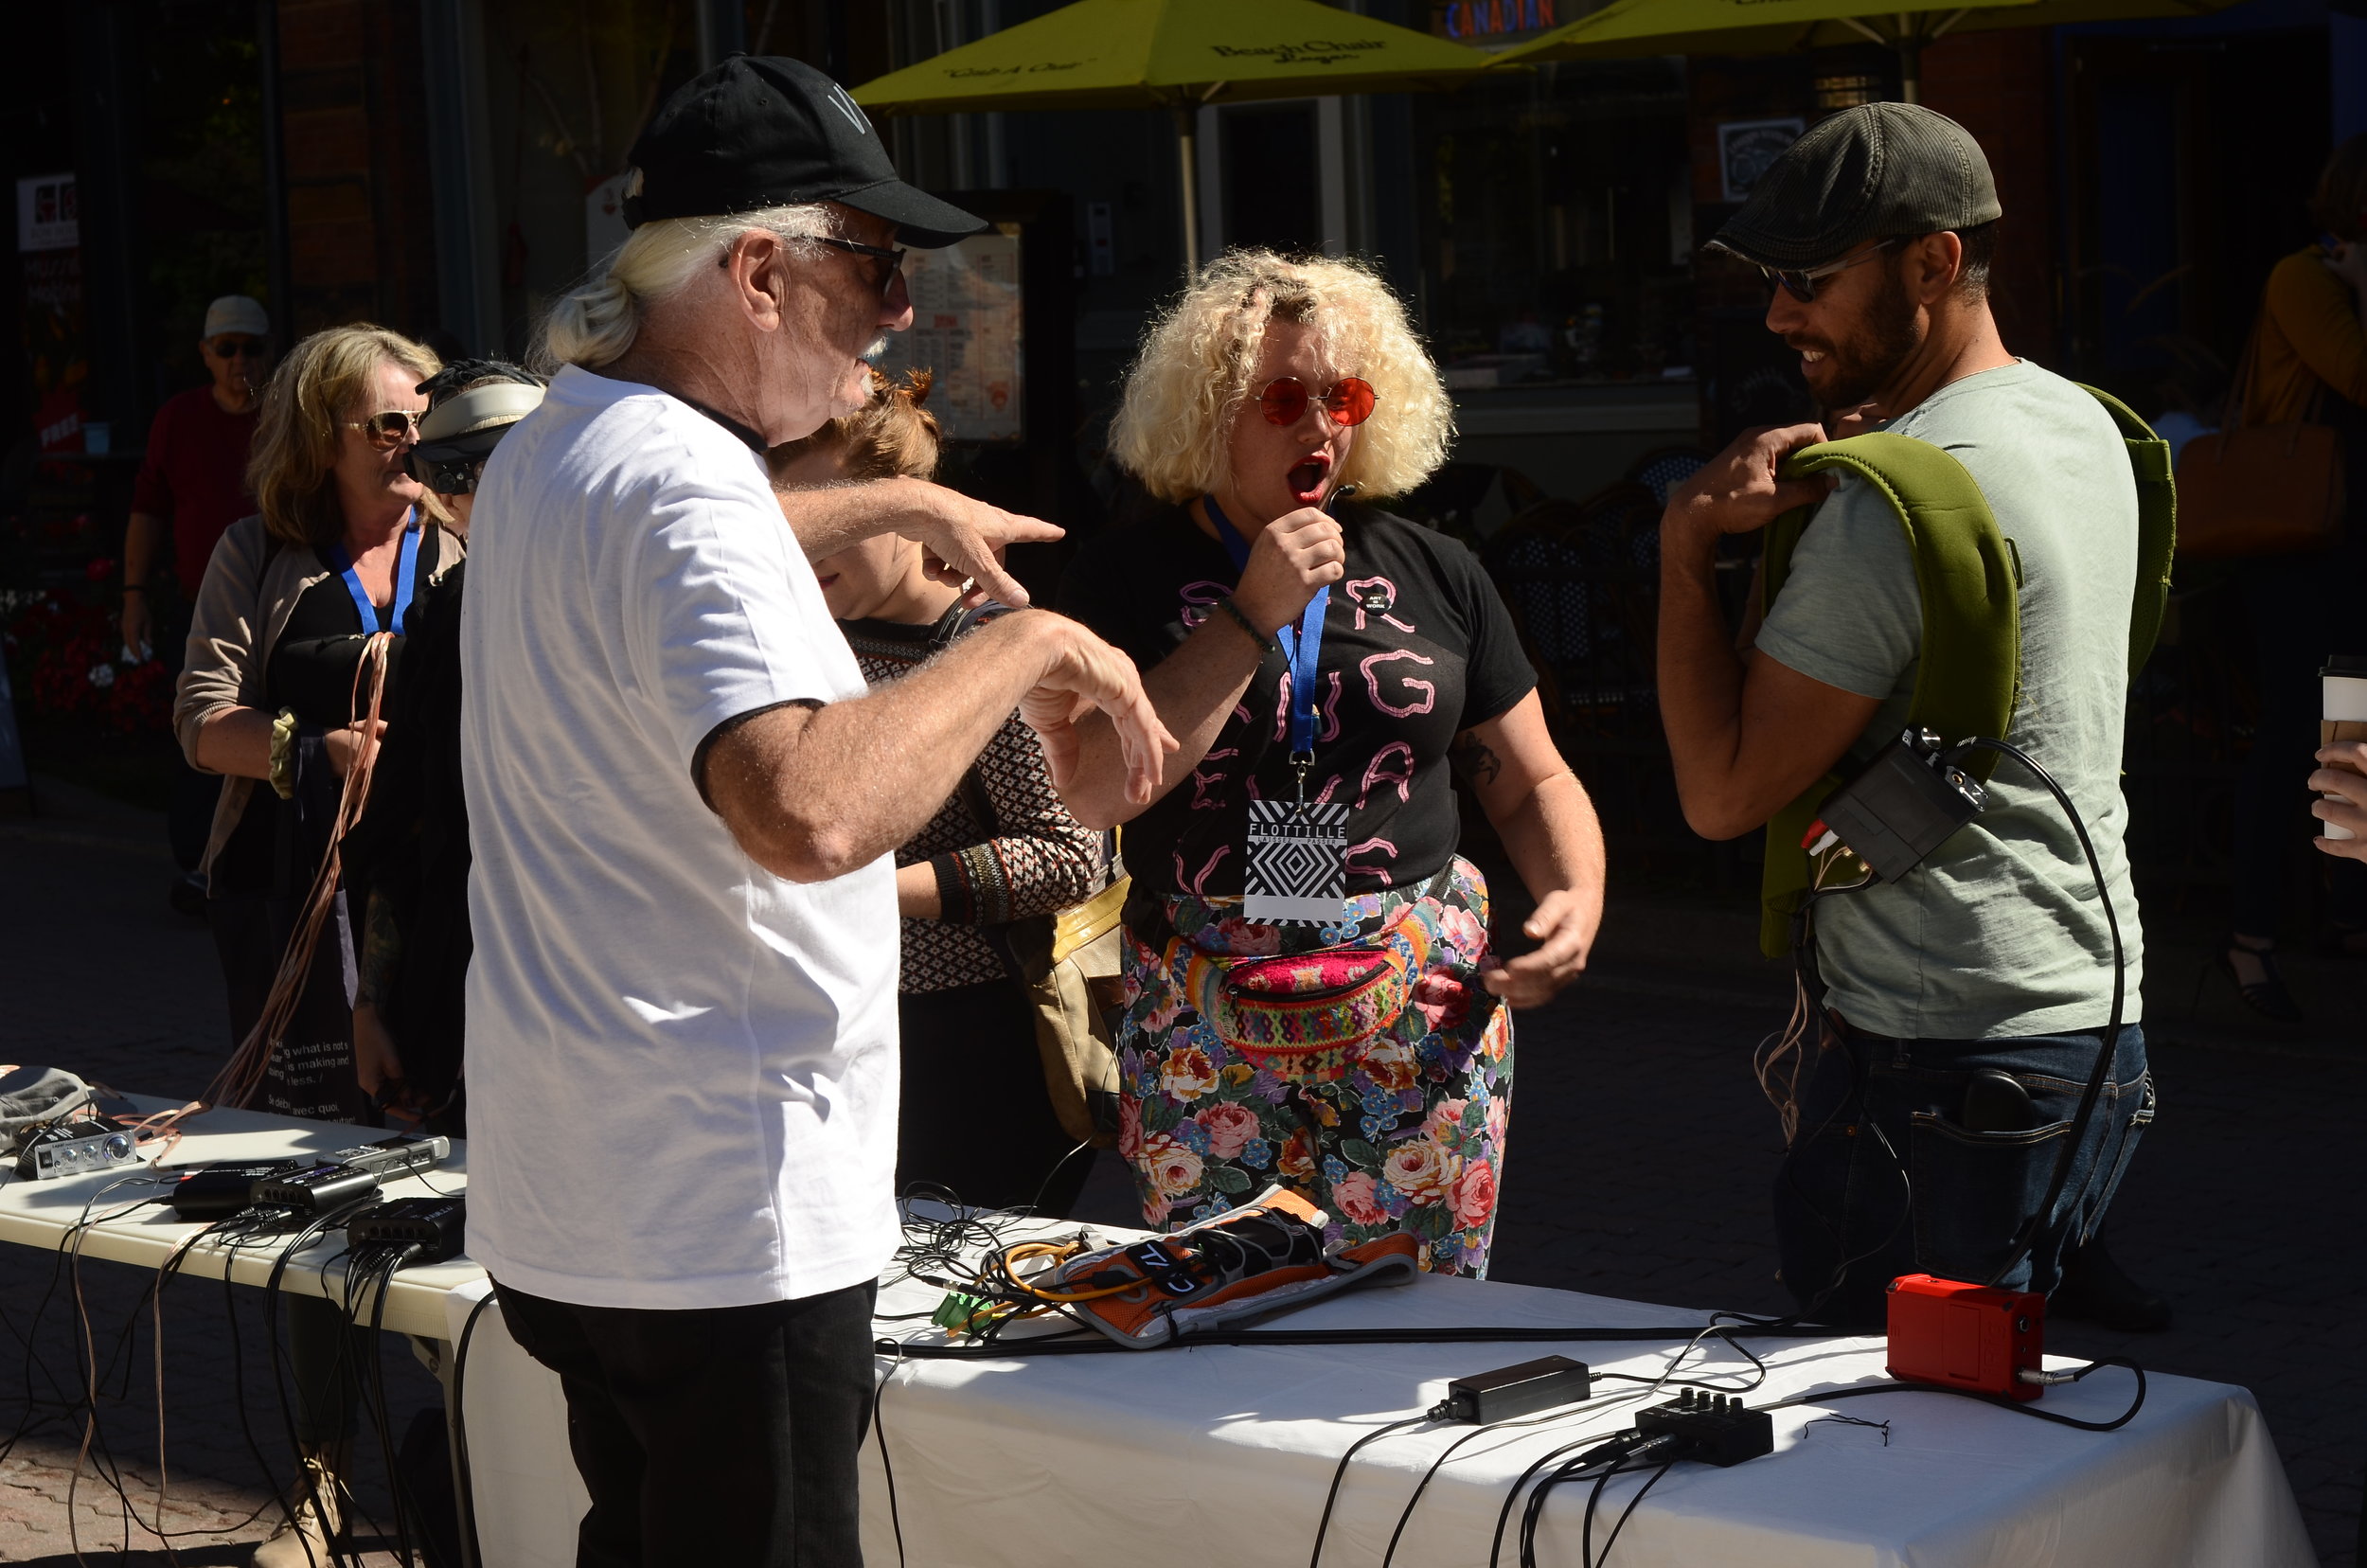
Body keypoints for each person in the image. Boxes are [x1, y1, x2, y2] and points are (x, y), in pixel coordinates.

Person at [460, 56, 1173, 1568]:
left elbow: (669, 534)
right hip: (725, 1216)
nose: (904, 309)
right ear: (762, 272)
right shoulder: (682, 488)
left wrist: (894, 505)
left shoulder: (555, 446)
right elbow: (805, 816)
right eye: (878, 264)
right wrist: (1023, 646)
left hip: (583, 1197)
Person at [1657, 103, 2161, 1330]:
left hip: (1942, 1061)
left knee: (1894, 1460)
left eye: (1808, 279)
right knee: (2014, 1447)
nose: (1778, 313)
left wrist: (1683, 547)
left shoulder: (1894, 504)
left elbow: (1721, 794)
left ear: (1934, 262)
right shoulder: (2084, 423)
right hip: (2091, 1021)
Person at [1055, 249, 1608, 1278]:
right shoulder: (1122, 576)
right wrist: (1249, 614)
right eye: (1281, 397)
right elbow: (1097, 789)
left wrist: (1574, 896)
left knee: (1420, 1306)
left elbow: (1531, 777)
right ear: (1203, 411)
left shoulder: (1438, 568)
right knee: (1215, 1305)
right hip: (1205, 1003)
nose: (1319, 425)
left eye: (1344, 395)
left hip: (1416, 1002)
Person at [171, 322, 451, 1565]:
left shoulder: (463, 543)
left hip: (440, 908)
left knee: (451, 1173)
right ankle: (322, 1479)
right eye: (387, 423)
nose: (413, 442)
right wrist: (308, 751)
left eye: (424, 415)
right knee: (314, 1180)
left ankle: (464, 1454)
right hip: (294, 905)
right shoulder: (259, 553)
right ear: (323, 438)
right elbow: (200, 725)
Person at [775, 369, 1113, 1216]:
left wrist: (865, 893)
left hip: (972, 1044)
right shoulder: (792, 638)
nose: (809, 547)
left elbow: (1069, 851)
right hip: (822, 1028)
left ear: (914, 506)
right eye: (793, 515)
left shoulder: (987, 646)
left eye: (838, 515)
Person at [342, 359, 547, 1134]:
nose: (459, 500)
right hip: (467, 982)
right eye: (453, 479)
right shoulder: (452, 610)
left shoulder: (629, 594)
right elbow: (398, 829)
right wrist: (374, 1007)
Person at [2216, 134, 2367, 1019]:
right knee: (2288, 739)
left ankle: (2346, 908)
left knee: (2352, 732)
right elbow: (2357, 373)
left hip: (2348, 546)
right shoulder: (2304, 277)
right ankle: (2249, 939)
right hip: (2294, 547)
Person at [127, 294, 275, 912]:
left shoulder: (282, 417)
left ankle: (254, 860)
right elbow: (148, 507)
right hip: (201, 600)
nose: (240, 360)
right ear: (206, 355)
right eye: (227, 348)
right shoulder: (179, 418)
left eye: (252, 348)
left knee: (266, 728)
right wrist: (133, 594)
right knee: (203, 724)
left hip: (275, 601)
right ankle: (196, 865)